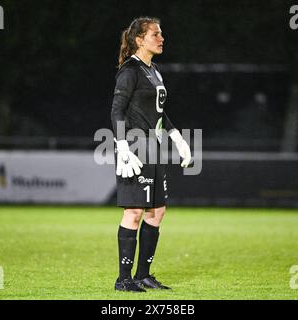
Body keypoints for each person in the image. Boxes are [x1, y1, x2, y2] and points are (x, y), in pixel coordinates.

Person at [110, 16, 191, 292]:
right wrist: (122, 147)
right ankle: (123, 280)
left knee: (156, 212)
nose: (161, 38)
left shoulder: (154, 71)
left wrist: (178, 138)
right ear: (139, 39)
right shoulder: (130, 70)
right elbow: (117, 111)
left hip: (154, 149)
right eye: (155, 34)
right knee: (134, 211)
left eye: (161, 34)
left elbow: (159, 114)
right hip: (135, 147)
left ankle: (143, 275)